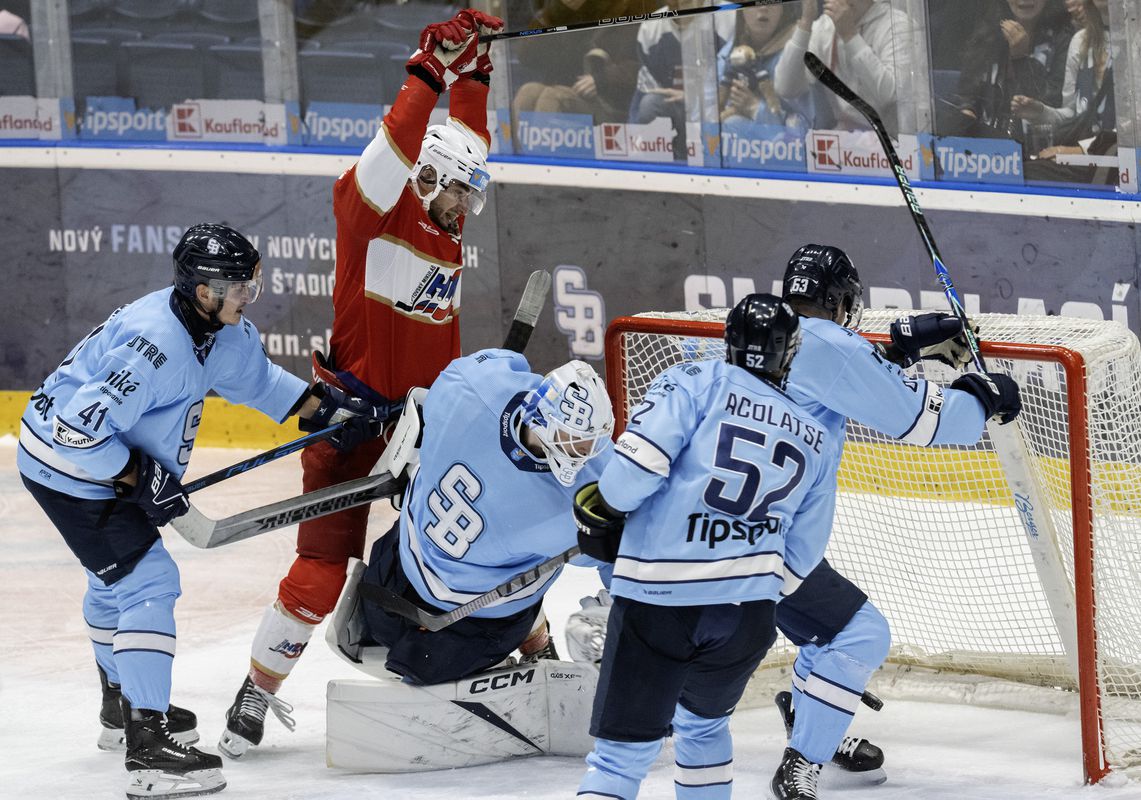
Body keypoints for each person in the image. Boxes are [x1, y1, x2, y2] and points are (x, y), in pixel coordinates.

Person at [218, 7, 505, 758]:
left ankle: (527, 649)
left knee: (472, 548)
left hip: (427, 431)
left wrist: (474, 69)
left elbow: (465, 139)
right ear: (427, 176)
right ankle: (257, 691)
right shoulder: (369, 216)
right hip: (352, 422)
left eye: (470, 193)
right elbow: (392, 151)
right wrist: (426, 71)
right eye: (456, 191)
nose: (463, 208)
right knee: (319, 566)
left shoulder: (446, 219)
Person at [17, 223, 391, 799]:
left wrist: (328, 412)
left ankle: (120, 705)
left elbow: (260, 381)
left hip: (89, 461)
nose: (247, 296)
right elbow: (76, 431)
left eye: (249, 284)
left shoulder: (221, 331)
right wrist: (142, 477)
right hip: (68, 468)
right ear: (201, 291)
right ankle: (147, 746)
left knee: (110, 576)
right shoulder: (154, 346)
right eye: (236, 287)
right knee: (148, 581)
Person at [766, 244, 1022, 799]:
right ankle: (802, 766)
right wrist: (982, 399)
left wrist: (895, 354)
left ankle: (812, 716)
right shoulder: (832, 343)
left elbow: (829, 383)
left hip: (711, 526)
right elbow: (924, 426)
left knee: (825, 630)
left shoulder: (766, 331)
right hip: (765, 540)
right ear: (838, 301)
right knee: (860, 633)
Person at [572, 293, 842, 800]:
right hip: (746, 619)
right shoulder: (817, 434)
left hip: (659, 605)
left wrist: (607, 509)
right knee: (703, 729)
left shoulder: (693, 381)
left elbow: (631, 476)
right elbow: (804, 552)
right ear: (790, 353)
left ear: (730, 342)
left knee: (617, 762)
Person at [355, 349, 614, 685]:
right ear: (546, 425)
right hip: (483, 625)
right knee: (529, 569)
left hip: (388, 576)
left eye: (591, 443)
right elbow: (621, 556)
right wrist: (617, 608)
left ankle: (531, 634)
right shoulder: (586, 491)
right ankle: (534, 636)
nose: (584, 453)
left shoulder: (471, 382)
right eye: (576, 442)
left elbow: (504, 361)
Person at [773, 0, 913, 136]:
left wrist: (849, 35)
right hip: (846, 140)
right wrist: (805, 23)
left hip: (892, 142)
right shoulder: (824, 27)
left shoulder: (897, 25)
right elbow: (786, 88)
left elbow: (890, 96)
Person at [952, 0, 1072, 142]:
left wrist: (1021, 59)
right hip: (983, 147)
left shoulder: (1064, 40)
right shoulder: (987, 34)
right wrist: (967, 112)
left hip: (1035, 147)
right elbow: (965, 95)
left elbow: (1048, 108)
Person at [1012, 0, 1115, 158]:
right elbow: (1073, 117)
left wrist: (1079, 150)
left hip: (1123, 163)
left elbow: (1133, 129)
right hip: (1082, 161)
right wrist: (1040, 112)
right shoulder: (1080, 41)